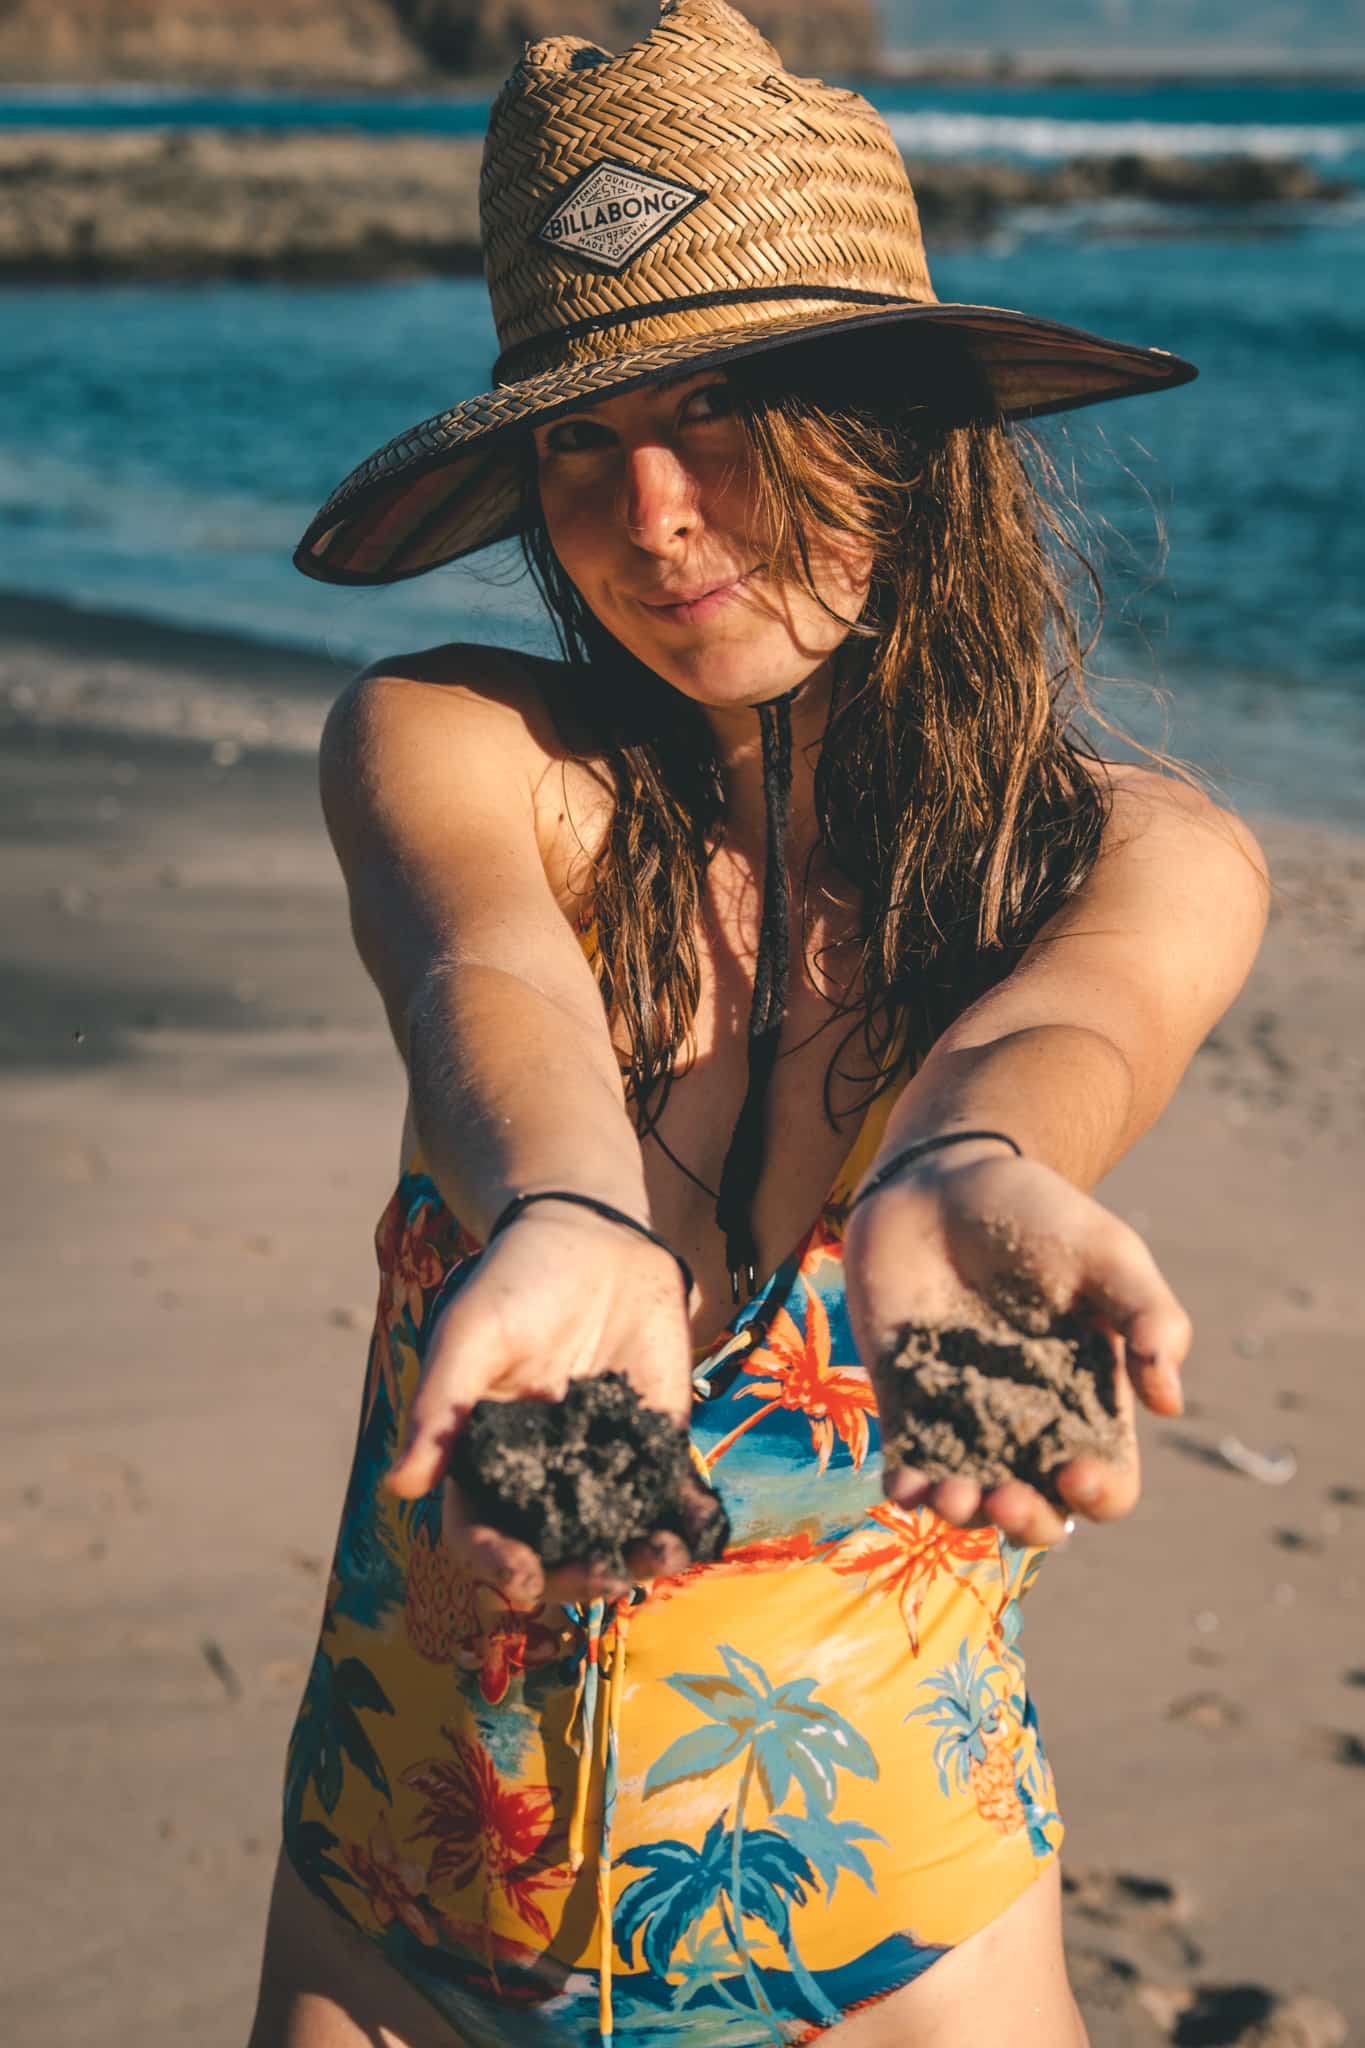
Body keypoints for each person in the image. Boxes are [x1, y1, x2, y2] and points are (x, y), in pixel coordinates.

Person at [247, 4, 1269, 2044]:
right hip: (400, 1914)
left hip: (908, 1943)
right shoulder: (466, 743)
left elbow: (1060, 1036)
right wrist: (560, 1200)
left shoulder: (1117, 853)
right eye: (576, 441)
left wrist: (968, 1161)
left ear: (887, 428)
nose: (647, 512)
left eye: (718, 412)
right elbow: (483, 974)